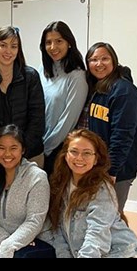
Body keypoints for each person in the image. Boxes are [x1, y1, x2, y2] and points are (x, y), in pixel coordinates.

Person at [43, 129, 137, 258]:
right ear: (66, 155)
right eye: (74, 151)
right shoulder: (60, 183)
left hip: (119, 253)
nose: (79, 158)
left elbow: (96, 237)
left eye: (87, 153)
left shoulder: (101, 190)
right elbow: (57, 230)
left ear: (96, 159)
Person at [0, 124, 54, 258]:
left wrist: (10, 245)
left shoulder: (37, 177)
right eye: (1, 148)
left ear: (23, 150)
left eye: (13, 148)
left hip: (35, 242)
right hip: (3, 242)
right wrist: (6, 243)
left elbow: (34, 221)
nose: (7, 154)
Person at [81, 42, 137, 212]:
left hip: (117, 169)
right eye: (93, 60)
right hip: (98, 165)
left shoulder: (123, 91)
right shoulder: (98, 89)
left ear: (114, 61)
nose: (99, 64)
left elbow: (123, 134)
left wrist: (112, 169)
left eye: (104, 59)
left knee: (110, 218)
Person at [0, 26, 46, 166]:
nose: (8, 51)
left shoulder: (30, 77)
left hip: (30, 154)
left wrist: (20, 150)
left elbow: (37, 119)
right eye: (3, 45)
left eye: (13, 46)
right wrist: (3, 150)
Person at [39, 21, 87, 176]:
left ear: (69, 43)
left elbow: (69, 120)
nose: (53, 47)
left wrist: (47, 146)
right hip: (38, 147)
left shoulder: (77, 76)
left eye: (59, 41)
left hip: (58, 149)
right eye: (48, 42)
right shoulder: (42, 71)